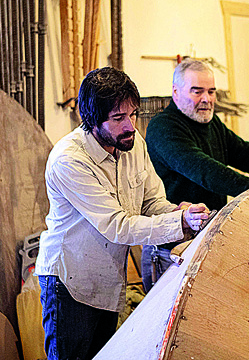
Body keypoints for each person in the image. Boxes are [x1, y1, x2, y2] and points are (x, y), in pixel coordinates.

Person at [34, 67, 210, 360]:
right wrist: (178, 222)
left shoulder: (132, 142)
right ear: (92, 120)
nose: (130, 125)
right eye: (118, 118)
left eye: (133, 114)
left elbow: (152, 202)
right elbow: (118, 226)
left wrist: (184, 214)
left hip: (106, 281)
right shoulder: (69, 160)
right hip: (70, 282)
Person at [142, 59, 249, 291]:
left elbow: (245, 153)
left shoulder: (211, 124)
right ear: (175, 91)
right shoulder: (163, 128)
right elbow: (206, 171)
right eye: (197, 91)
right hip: (171, 248)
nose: (207, 99)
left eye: (211, 91)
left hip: (203, 238)